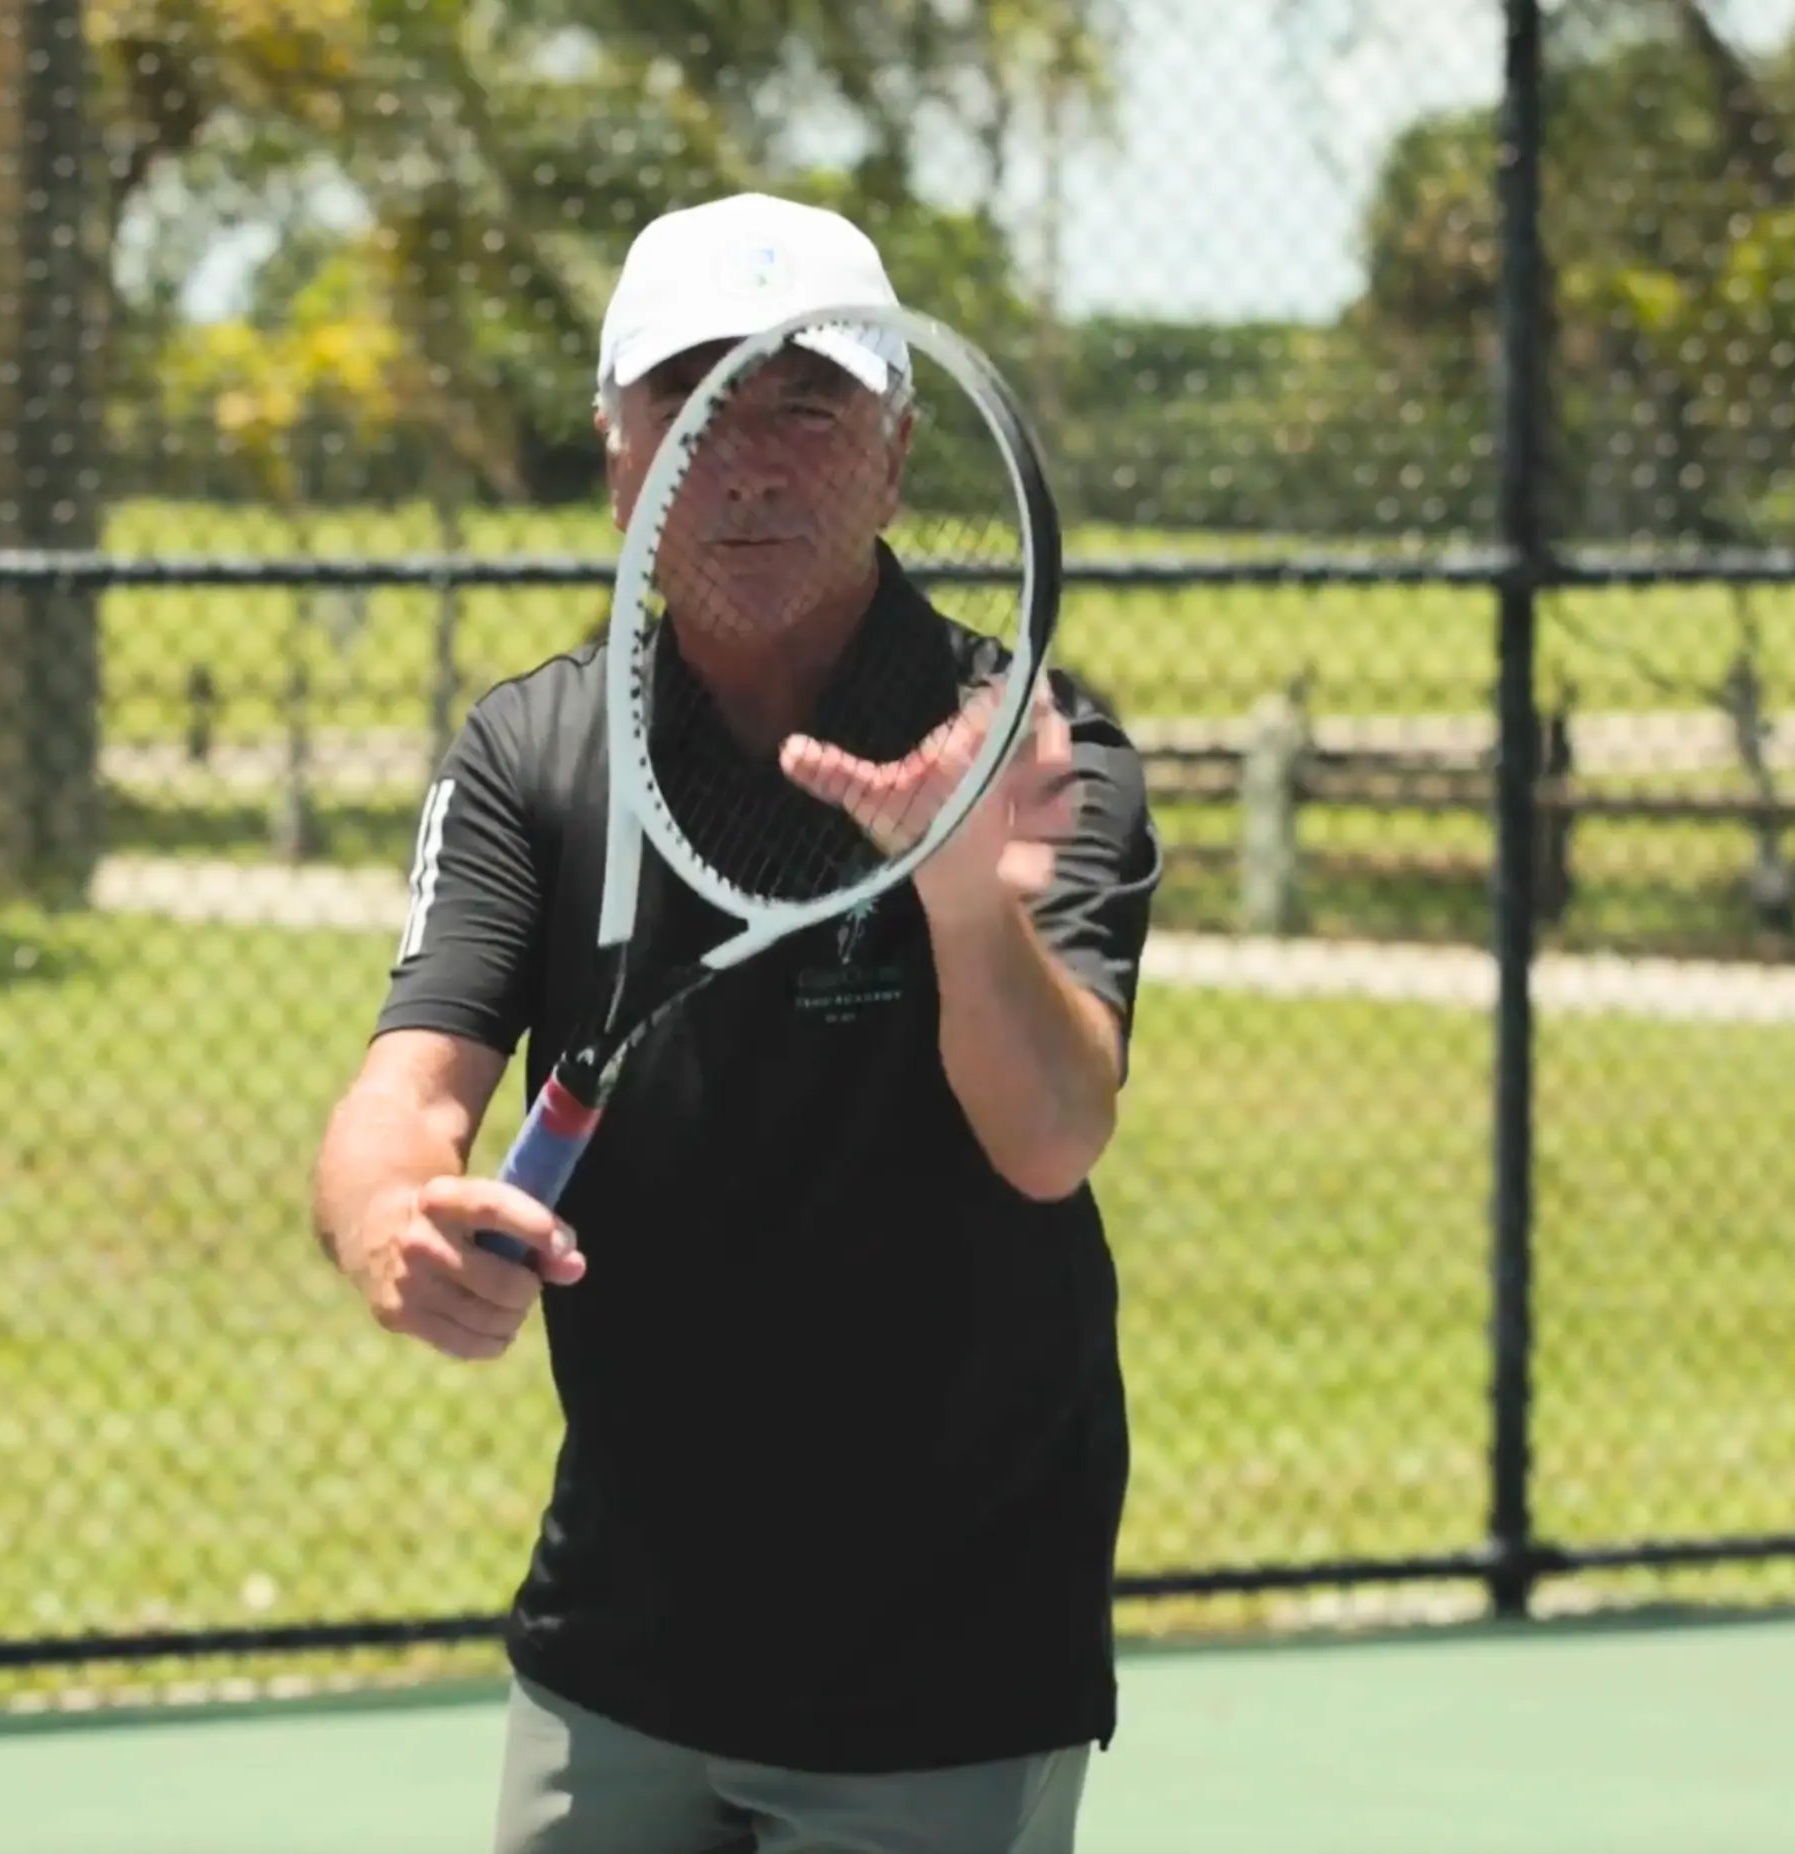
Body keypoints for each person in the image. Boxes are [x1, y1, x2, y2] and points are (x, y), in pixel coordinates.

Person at [309, 193, 1163, 1854]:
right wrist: (387, 1225)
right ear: (620, 456)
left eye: (808, 405)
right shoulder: (534, 753)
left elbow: (1054, 1135)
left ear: (896, 453)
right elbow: (401, 1093)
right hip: (619, 1644)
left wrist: (965, 897)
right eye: (697, 403)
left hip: (948, 1665)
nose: (754, 460)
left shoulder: (1033, 747)